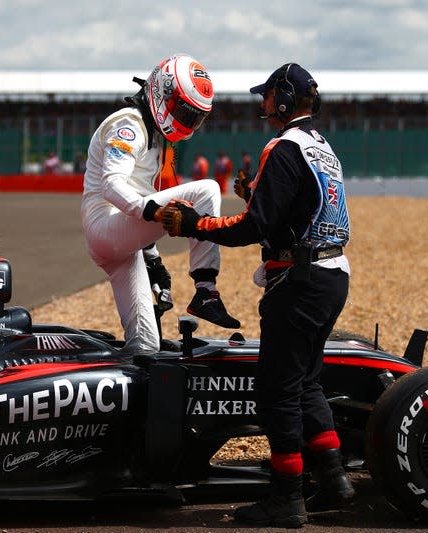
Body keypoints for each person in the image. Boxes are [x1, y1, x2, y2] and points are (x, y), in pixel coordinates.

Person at [161, 63, 353, 527]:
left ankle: (287, 497)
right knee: (306, 382)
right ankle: (334, 480)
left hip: (300, 281)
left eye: (268, 96)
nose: (262, 104)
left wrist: (194, 224)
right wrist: (257, 195)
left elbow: (256, 227)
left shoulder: (283, 146)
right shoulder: (322, 148)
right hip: (332, 274)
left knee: (277, 391)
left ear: (285, 98)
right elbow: (300, 208)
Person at [80, 53, 240, 355]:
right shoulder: (128, 124)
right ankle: (205, 291)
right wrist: (156, 212)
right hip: (106, 225)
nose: (187, 122)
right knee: (206, 191)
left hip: (119, 239)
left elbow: (136, 194)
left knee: (146, 346)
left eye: (195, 116)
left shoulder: (151, 131)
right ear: (162, 91)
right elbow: (112, 185)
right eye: (184, 111)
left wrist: (153, 260)